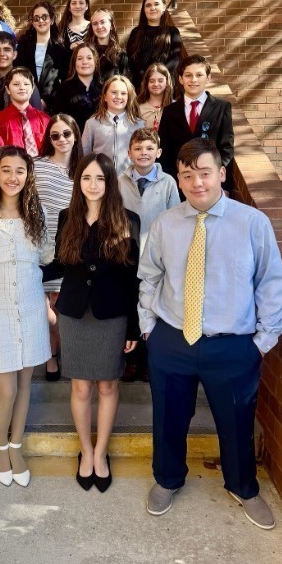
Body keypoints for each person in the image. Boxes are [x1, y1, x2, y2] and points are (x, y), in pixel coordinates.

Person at [138, 138, 282, 529]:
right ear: (179, 179)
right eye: (187, 175)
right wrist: (149, 329)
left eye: (204, 173)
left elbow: (271, 284)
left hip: (233, 345)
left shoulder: (252, 223)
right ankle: (168, 478)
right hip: (172, 339)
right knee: (169, 417)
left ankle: (243, 486)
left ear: (221, 173)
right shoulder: (165, 223)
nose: (196, 183)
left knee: (237, 420)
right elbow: (149, 277)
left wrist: (261, 344)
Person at [42, 153, 140, 493]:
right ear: (78, 181)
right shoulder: (66, 216)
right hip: (74, 314)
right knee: (80, 386)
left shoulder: (128, 220)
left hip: (112, 315)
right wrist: (27, 269)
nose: (92, 184)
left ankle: (101, 453)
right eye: (86, 178)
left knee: (108, 385)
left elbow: (132, 279)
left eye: (99, 178)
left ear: (109, 182)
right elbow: (60, 264)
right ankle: (86, 451)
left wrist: (133, 328)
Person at [0, 146, 53, 488]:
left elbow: (46, 255)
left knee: (24, 385)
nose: (13, 177)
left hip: (31, 303)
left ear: (28, 176)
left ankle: (16, 446)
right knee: (4, 389)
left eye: (20, 170)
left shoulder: (38, 213)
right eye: (6, 170)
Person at [118, 128, 179, 383]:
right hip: (125, 254)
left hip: (156, 256)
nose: (144, 153)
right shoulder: (120, 181)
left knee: (151, 305)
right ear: (129, 152)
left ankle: (147, 361)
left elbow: (175, 218)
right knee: (131, 304)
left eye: (149, 148)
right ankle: (130, 360)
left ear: (159, 152)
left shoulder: (168, 183)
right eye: (139, 149)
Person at [34, 114, 83, 382]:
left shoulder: (83, 168)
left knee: (62, 310)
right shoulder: (36, 165)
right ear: (48, 139)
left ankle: (60, 354)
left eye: (66, 133)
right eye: (55, 135)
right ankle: (51, 357)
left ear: (75, 135)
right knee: (44, 311)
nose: (62, 139)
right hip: (40, 241)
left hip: (70, 245)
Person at [159, 54, 235, 191]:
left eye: (199, 75)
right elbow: (165, 151)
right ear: (181, 79)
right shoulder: (170, 111)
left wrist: (217, 178)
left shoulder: (222, 107)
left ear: (208, 78)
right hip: (179, 184)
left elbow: (226, 148)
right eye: (188, 75)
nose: (193, 80)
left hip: (211, 184)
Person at [82, 75, 144, 175]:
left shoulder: (139, 125)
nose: (118, 97)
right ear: (105, 96)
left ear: (128, 98)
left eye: (123, 93)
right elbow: (85, 155)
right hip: (101, 179)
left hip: (128, 181)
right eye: (114, 92)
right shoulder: (92, 124)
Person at [16, 1, 70, 112]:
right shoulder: (23, 46)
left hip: (52, 107)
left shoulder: (61, 49)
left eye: (44, 17)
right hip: (25, 104)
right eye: (36, 18)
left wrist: (48, 101)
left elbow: (65, 82)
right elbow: (18, 73)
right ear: (33, 23)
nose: (40, 21)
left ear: (52, 20)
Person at [126, 0, 182, 91]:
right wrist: (147, 79)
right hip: (140, 86)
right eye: (148, 5)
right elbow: (132, 59)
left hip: (165, 86)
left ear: (164, 7)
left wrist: (159, 78)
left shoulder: (173, 32)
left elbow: (175, 59)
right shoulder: (136, 32)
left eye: (156, 4)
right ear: (144, 9)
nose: (152, 8)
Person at [0, 31, 42, 113]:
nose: (2, 54)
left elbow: (38, 117)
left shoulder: (27, 84)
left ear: (14, 54)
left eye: (7, 50)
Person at [0, 67, 50, 154]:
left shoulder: (45, 120)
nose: (22, 88)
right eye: (16, 84)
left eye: (26, 84)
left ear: (32, 88)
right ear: (8, 89)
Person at [56, 43, 102, 135]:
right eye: (80, 58)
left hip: (100, 141)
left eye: (89, 58)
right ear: (74, 63)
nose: (84, 62)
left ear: (95, 62)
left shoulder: (104, 88)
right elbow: (60, 120)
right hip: (75, 141)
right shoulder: (64, 89)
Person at [86, 8, 129, 81]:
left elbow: (125, 83)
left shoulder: (121, 55)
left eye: (102, 22)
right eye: (95, 24)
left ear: (111, 25)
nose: (99, 27)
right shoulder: (86, 52)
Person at [137, 63, 174, 131]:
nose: (156, 84)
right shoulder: (138, 108)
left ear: (167, 82)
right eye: (152, 81)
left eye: (160, 81)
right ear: (146, 83)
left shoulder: (175, 107)